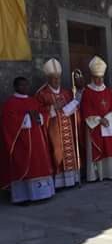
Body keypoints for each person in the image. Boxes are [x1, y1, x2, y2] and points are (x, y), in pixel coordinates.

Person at [1, 77, 54, 203]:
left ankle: (42, 195)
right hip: (21, 142)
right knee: (24, 167)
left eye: (26, 85)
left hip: (37, 140)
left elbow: (42, 114)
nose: (25, 88)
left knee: (40, 165)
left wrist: (39, 117)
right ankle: (23, 197)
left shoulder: (33, 100)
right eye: (21, 85)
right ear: (15, 87)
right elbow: (8, 122)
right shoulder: (10, 103)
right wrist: (27, 117)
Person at [35, 58, 80, 188]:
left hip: (69, 128)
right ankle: (59, 184)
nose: (56, 81)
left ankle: (72, 180)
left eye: (58, 78)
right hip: (53, 130)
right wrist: (53, 107)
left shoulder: (67, 92)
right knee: (56, 152)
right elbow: (38, 113)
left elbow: (74, 108)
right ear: (48, 79)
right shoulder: (42, 94)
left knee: (69, 152)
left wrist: (74, 107)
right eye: (54, 79)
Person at [80, 56, 112, 181]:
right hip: (95, 126)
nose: (99, 80)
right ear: (92, 78)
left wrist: (108, 118)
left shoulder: (108, 91)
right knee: (96, 148)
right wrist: (99, 119)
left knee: (110, 148)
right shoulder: (87, 91)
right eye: (96, 78)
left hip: (108, 124)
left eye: (101, 78)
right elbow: (86, 109)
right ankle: (96, 175)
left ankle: (111, 173)